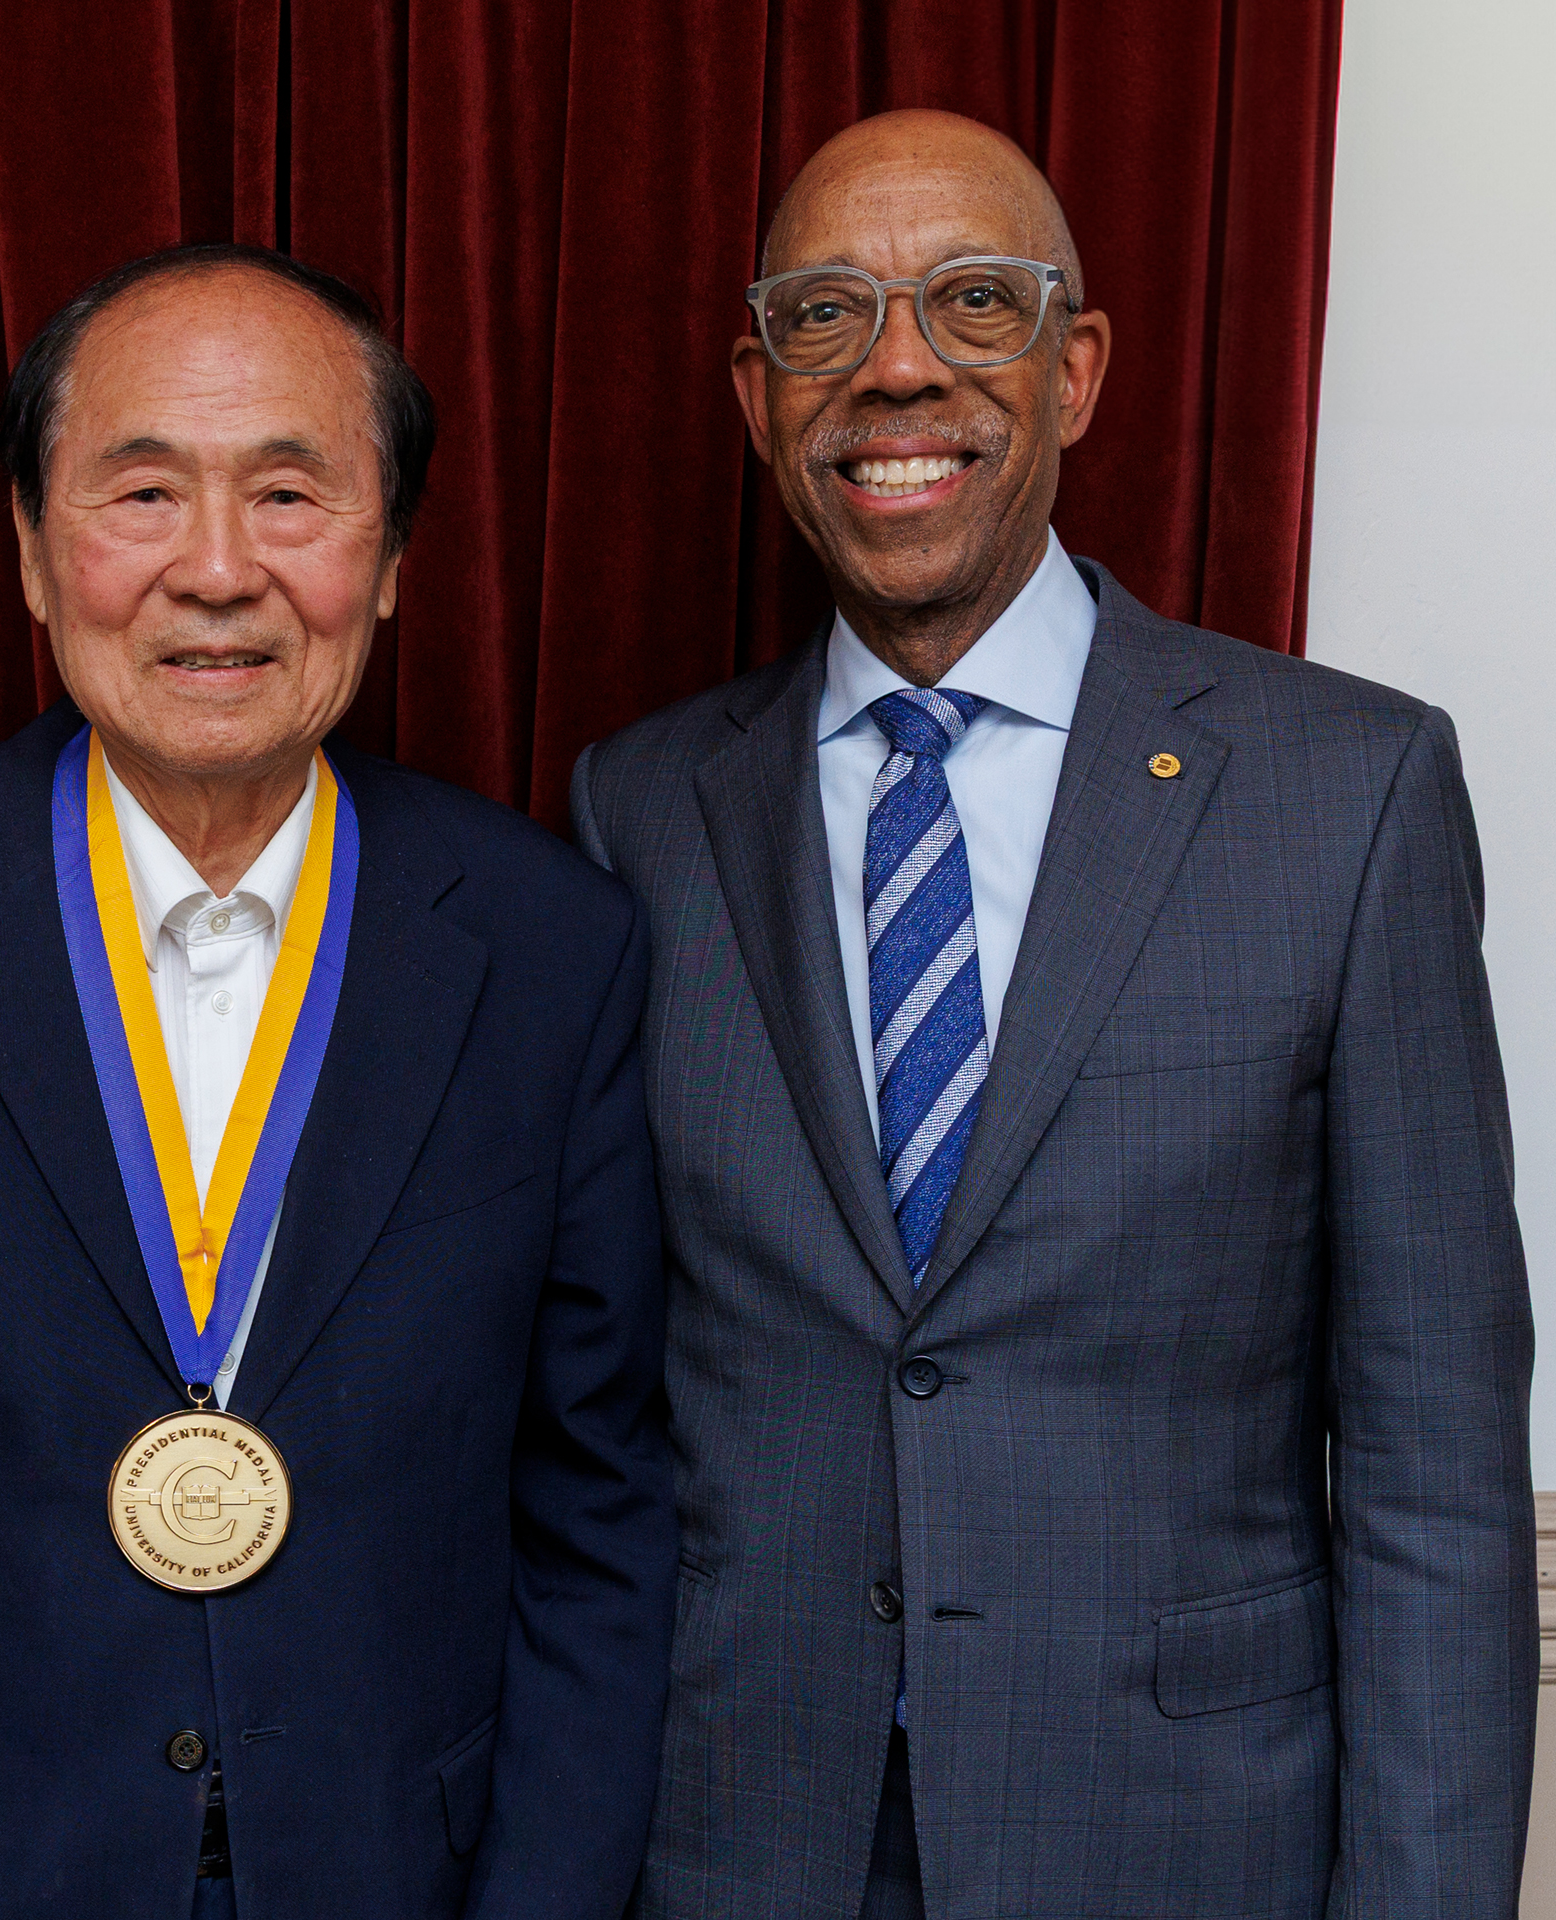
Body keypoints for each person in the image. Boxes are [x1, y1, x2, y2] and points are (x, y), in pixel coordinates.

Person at [0, 242, 676, 1920]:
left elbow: (598, 1526)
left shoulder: (552, 948)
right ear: (36, 553)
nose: (215, 571)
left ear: (391, 556)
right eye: (140, 493)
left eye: (289, 494)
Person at [571, 110, 1536, 1918]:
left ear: (1078, 372)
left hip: (1182, 1843)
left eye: (976, 303)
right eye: (825, 317)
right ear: (757, 393)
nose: (899, 366)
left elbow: (1436, 1467)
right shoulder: (638, 814)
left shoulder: (1352, 791)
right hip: (737, 1841)